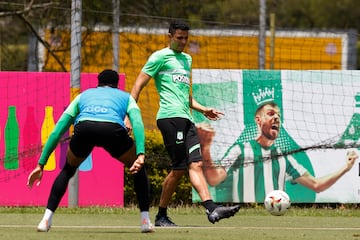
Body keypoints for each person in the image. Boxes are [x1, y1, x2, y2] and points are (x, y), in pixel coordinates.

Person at [130, 19, 240, 227]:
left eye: (186, 38)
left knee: (196, 164)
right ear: (169, 36)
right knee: (179, 169)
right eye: (179, 38)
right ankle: (162, 215)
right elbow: (137, 86)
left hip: (188, 119)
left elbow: (185, 95)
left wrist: (203, 109)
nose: (182, 42)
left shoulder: (187, 59)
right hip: (170, 119)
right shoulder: (159, 57)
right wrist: (129, 114)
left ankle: (212, 209)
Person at [27, 69, 154, 233]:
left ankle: (45, 220)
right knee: (138, 169)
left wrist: (41, 164)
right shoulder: (126, 97)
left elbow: (57, 131)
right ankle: (145, 221)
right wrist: (141, 154)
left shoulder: (83, 96)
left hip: (84, 129)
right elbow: (137, 124)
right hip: (113, 131)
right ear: (117, 85)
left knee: (68, 169)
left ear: (98, 83)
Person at [198, 101, 358, 203]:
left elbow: (316, 185)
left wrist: (346, 168)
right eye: (270, 114)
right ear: (258, 120)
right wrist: (205, 147)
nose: (276, 118)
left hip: (272, 217)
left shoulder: (284, 158)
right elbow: (213, 179)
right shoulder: (240, 150)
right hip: (242, 216)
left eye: (278, 116)